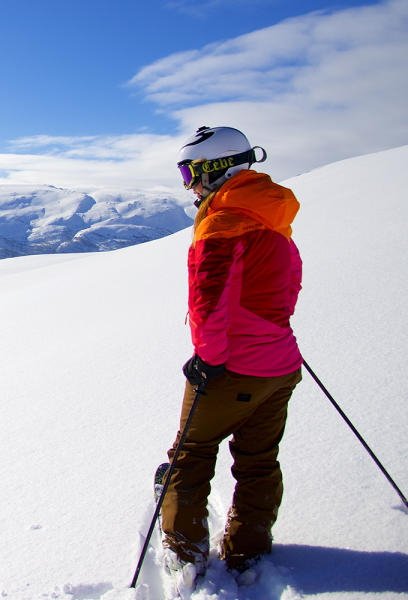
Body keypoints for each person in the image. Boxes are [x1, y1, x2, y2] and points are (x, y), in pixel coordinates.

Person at [160, 126, 303, 579]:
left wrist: (209, 358)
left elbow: (209, 301)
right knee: (259, 458)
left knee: (192, 454)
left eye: (190, 173)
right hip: (279, 362)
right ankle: (249, 548)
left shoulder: (223, 223)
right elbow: (286, 286)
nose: (190, 185)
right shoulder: (269, 214)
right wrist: (269, 333)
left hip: (232, 366)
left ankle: (184, 553)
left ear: (216, 168)